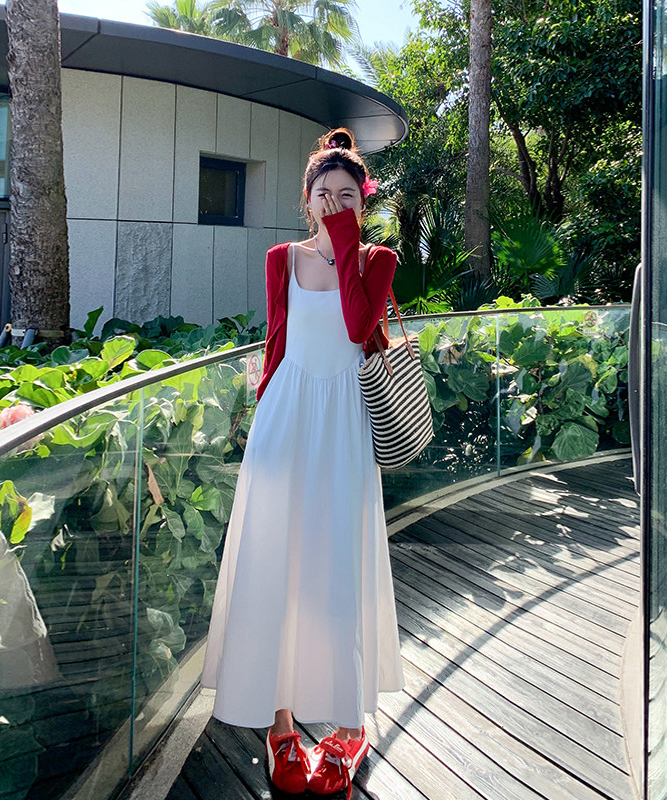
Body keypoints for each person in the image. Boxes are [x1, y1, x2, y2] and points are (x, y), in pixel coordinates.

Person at [201, 127, 404, 796]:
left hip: (344, 422)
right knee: (278, 565)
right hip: (286, 420)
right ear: (306, 199)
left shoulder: (377, 260)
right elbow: (277, 343)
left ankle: (347, 729)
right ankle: (280, 724)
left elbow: (357, 325)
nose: (336, 205)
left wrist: (344, 242)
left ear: (363, 205)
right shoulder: (280, 259)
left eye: (349, 197)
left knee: (337, 568)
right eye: (325, 195)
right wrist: (261, 423)